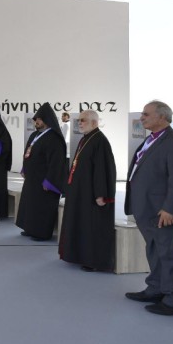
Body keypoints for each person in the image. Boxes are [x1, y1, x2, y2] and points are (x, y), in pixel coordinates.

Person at [124, 100, 173, 317]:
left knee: (169, 253)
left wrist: (170, 209)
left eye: (146, 114)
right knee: (154, 250)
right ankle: (155, 289)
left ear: (162, 117)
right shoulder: (152, 139)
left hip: (163, 210)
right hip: (147, 207)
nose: (141, 118)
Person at [58, 110, 117, 272]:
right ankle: (78, 255)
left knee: (91, 226)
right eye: (79, 120)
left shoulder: (100, 141)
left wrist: (101, 194)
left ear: (94, 123)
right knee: (80, 223)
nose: (79, 123)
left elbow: (103, 170)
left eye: (83, 120)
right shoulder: (86, 138)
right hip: (80, 192)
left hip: (91, 194)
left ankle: (93, 261)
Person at [15, 102, 68, 241]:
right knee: (30, 204)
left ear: (47, 120)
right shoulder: (34, 135)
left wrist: (49, 181)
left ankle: (41, 233)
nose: (36, 122)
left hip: (44, 181)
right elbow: (27, 153)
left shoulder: (54, 138)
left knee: (41, 206)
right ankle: (29, 228)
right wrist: (24, 168)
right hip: (32, 179)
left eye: (39, 119)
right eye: (35, 119)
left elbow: (56, 163)